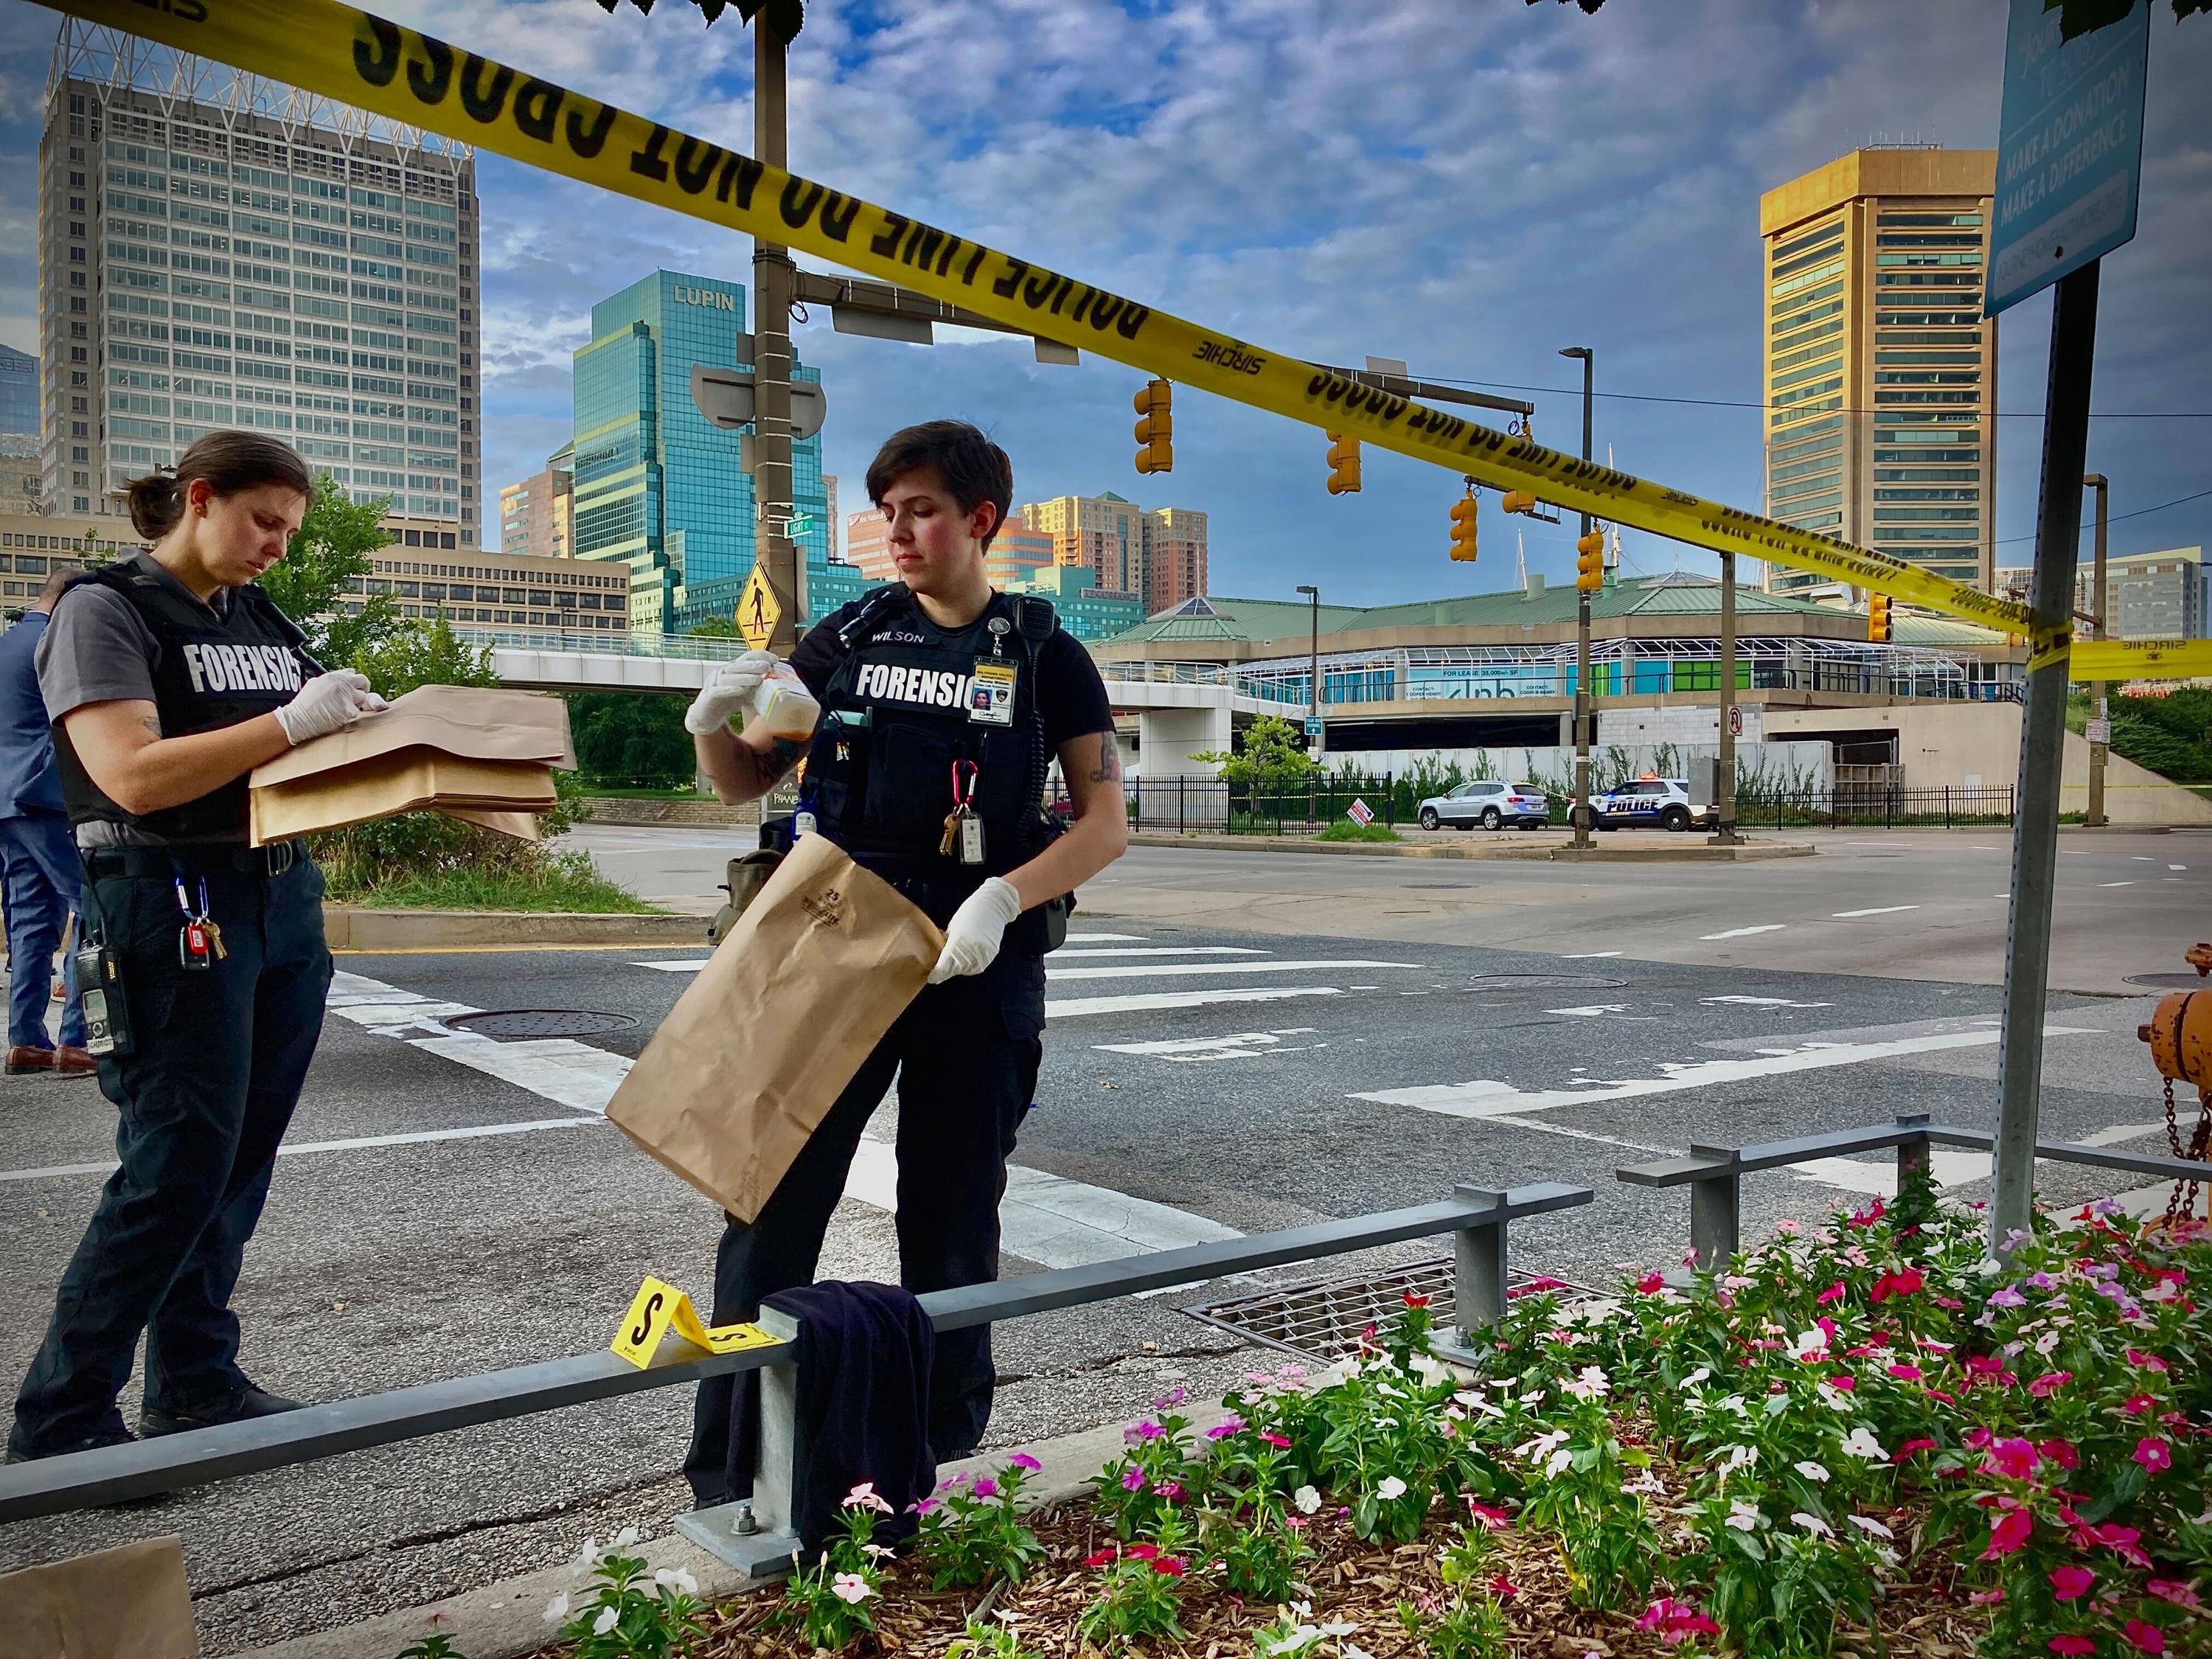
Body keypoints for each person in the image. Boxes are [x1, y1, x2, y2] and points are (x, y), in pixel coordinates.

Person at [681, 420, 1127, 1506]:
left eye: (922, 510)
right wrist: (708, 724)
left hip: (975, 959)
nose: (899, 530)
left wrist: (1005, 896)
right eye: (888, 512)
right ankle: (734, 1471)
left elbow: (1105, 822)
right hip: (836, 942)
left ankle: (936, 1464)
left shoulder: (1047, 654)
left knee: (953, 1214)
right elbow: (743, 777)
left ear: (981, 520)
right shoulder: (851, 634)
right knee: (772, 1202)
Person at [7, 431, 387, 1464]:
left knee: (239, 1161)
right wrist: (292, 722)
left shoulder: (257, 615)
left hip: (277, 895)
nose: (278, 546)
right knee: (174, 1164)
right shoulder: (106, 609)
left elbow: (302, 745)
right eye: (265, 521)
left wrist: (374, 732)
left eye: (290, 531)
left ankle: (196, 1382)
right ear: (202, 498)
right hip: (167, 898)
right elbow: (132, 774)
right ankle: (62, 1420)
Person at [2, 571, 94, 1079]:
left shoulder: (7, 643)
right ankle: (77, 1039)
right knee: (93, 907)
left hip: (7, 803)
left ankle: (25, 1040)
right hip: (47, 794)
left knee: (30, 920)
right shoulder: (55, 642)